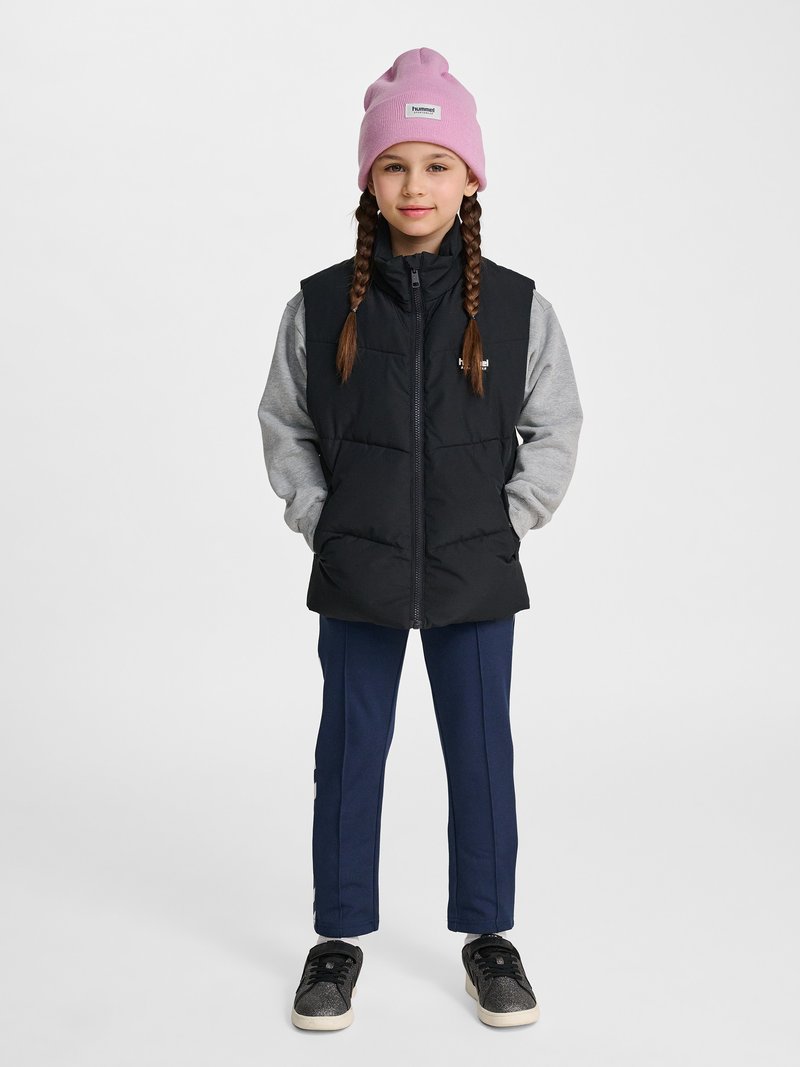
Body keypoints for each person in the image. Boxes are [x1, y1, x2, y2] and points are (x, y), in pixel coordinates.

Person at [257, 46, 583, 1031]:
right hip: (357, 568)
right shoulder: (321, 305)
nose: (415, 184)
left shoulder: (517, 307)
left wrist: (504, 523)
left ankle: (488, 936)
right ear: (369, 178)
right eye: (394, 164)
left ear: (470, 178)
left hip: (473, 572)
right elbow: (286, 427)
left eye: (437, 164)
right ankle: (336, 937)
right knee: (349, 752)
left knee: (480, 754)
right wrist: (324, 522)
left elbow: (554, 428)